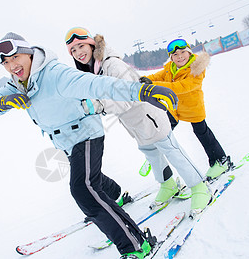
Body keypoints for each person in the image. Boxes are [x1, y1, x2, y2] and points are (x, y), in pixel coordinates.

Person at [0, 32, 179, 259]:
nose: (12, 66)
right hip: (66, 140)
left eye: (15, 58)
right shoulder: (17, 84)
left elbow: (98, 84)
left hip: (85, 134)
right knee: (90, 180)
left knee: (83, 189)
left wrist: (139, 91)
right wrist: (2, 103)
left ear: (29, 53)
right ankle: (117, 196)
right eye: (5, 63)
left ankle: (135, 245)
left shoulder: (54, 74)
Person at [64, 27, 211, 216]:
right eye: (73, 51)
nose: (78, 53)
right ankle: (168, 185)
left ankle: (200, 187)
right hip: (134, 123)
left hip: (149, 116)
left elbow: (129, 96)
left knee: (172, 151)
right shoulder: (96, 69)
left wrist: (98, 105)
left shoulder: (112, 65)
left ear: (92, 45)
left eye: (81, 46)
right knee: (151, 153)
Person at [140, 39, 232, 180]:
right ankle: (155, 153)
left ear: (189, 52)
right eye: (175, 54)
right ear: (171, 57)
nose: (180, 56)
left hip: (192, 108)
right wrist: (142, 80)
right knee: (163, 130)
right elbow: (156, 76)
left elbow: (183, 86)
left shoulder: (197, 68)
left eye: (183, 52)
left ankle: (220, 161)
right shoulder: (170, 67)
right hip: (175, 108)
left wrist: (154, 85)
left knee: (202, 132)